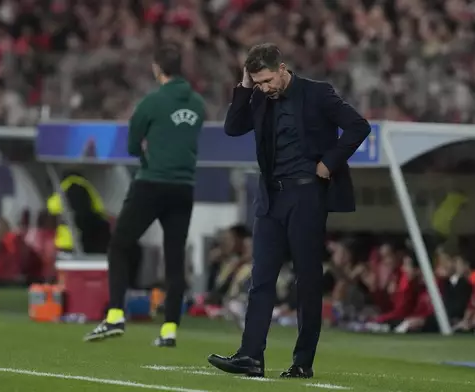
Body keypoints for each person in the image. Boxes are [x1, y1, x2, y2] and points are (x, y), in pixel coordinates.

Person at [207, 43, 370, 378]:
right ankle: (250, 357)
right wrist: (245, 86)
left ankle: (302, 363)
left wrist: (330, 162)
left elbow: (358, 126)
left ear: (282, 68)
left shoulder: (317, 94)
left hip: (307, 196)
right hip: (270, 198)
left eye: (267, 80)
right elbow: (233, 128)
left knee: (307, 282)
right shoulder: (258, 96)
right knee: (261, 279)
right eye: (259, 82)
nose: (265, 88)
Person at [84, 43, 205, 347]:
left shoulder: (151, 103)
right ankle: (169, 331)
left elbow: (132, 145)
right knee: (174, 258)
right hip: (184, 186)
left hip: (152, 183)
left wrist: (148, 157)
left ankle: (114, 316)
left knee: (120, 245)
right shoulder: (198, 104)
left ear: (156, 69)